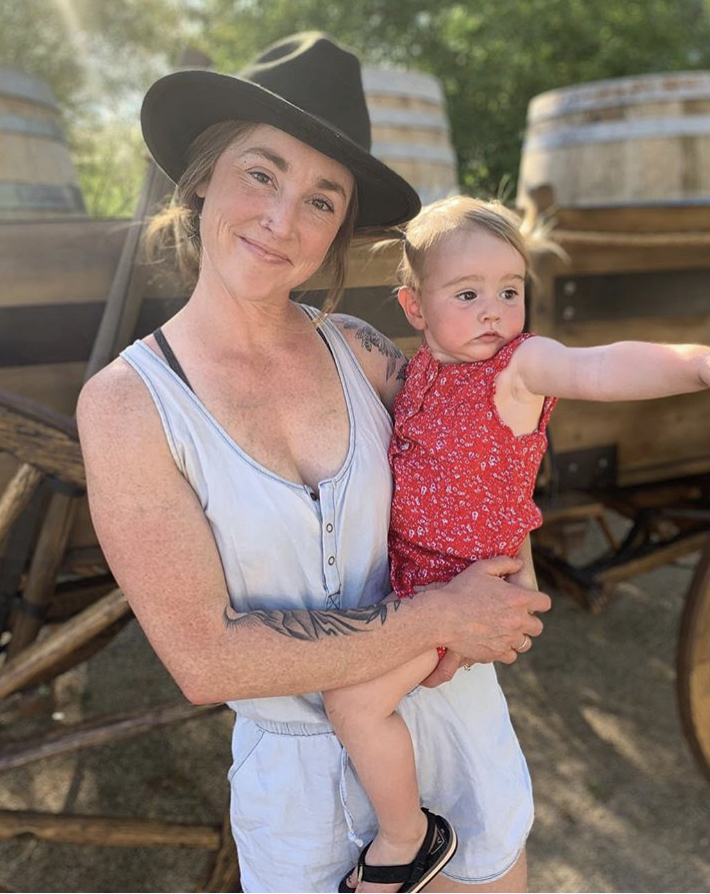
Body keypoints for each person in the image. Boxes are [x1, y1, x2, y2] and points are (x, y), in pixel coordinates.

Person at [77, 34, 552, 894]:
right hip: (300, 795)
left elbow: (482, 461)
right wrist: (441, 613)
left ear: (339, 229)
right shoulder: (128, 405)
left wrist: (510, 565)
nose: (282, 220)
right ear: (203, 178)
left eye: (322, 199)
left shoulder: (365, 353)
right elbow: (207, 659)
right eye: (262, 174)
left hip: (456, 724)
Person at [322, 195, 710, 893]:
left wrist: (697, 363)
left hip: (461, 594)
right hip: (411, 585)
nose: (494, 311)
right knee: (386, 699)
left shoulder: (518, 369)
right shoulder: (422, 374)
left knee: (351, 703)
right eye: (467, 294)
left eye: (510, 291)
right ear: (415, 309)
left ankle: (407, 839)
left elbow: (600, 368)